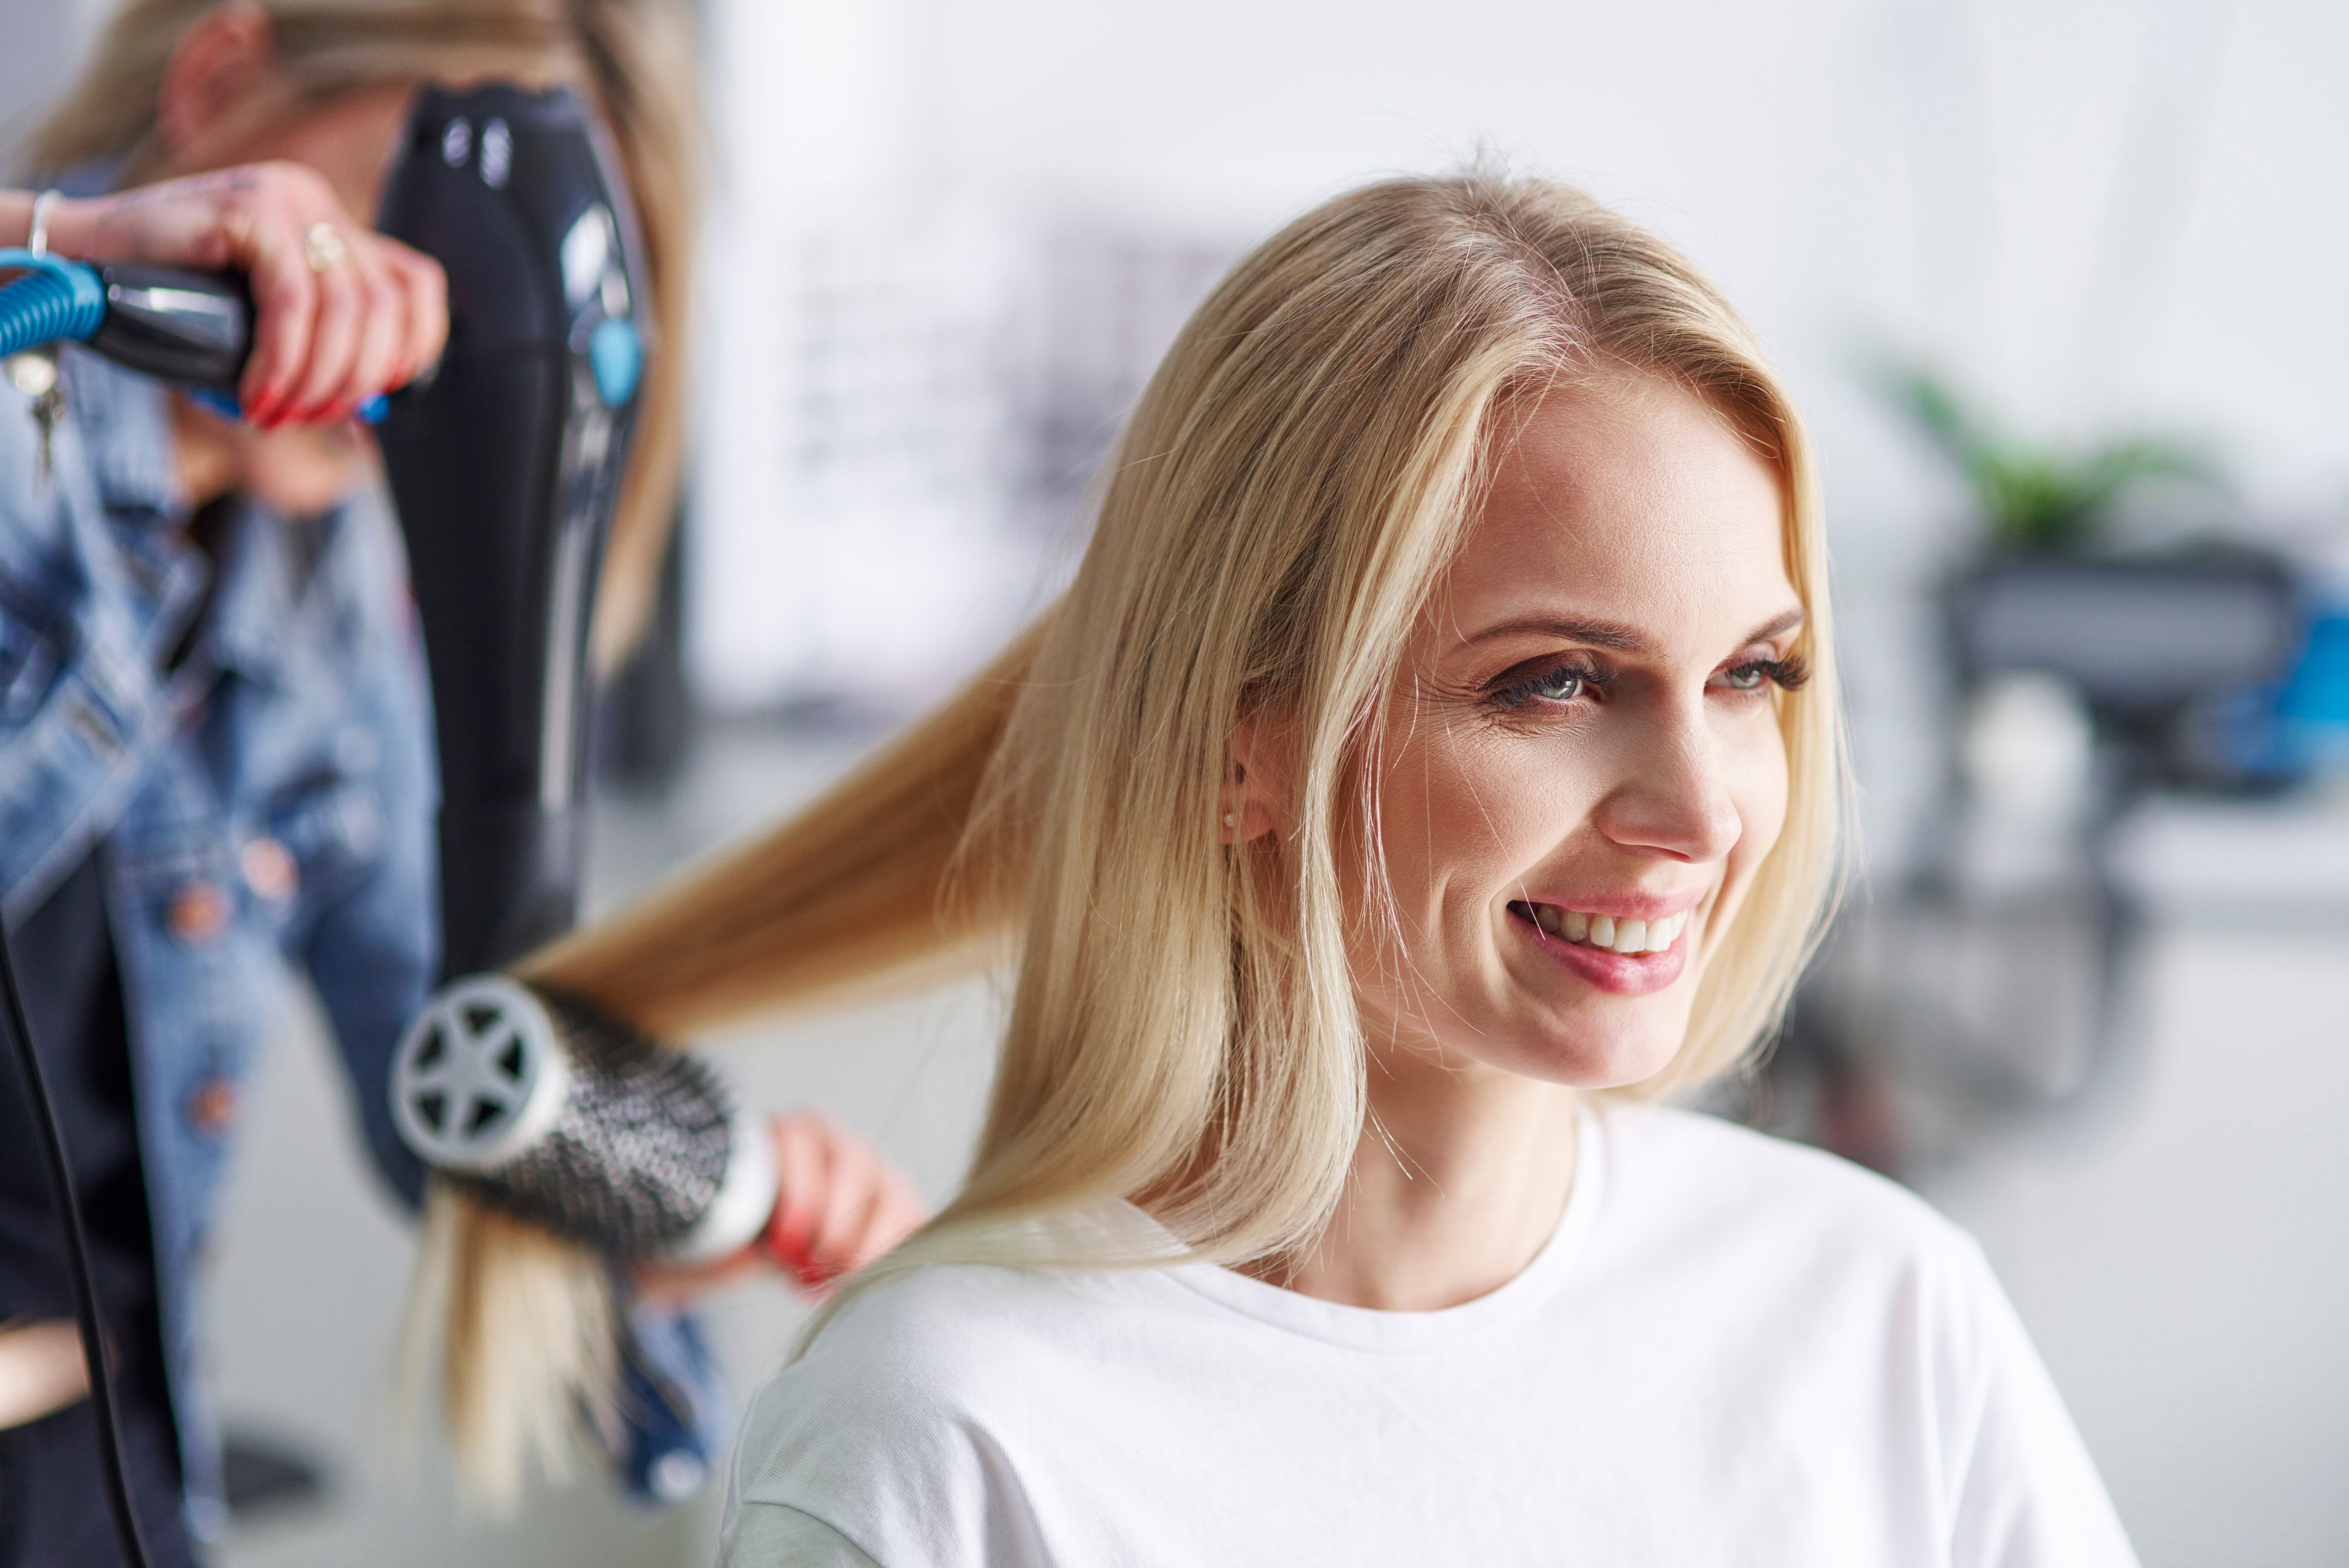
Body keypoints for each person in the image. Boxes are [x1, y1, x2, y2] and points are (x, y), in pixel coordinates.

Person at [486, 169, 2142, 1564]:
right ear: (1235, 743)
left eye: (1753, 677)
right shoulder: (949, 1444)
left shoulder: (1882, 1319)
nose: (1704, 810)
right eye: (1555, 682)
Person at [0, 2, 919, 1562]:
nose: (423, 335)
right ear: (220, 78)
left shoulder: (326, 606)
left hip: (96, 1497)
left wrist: (657, 1213)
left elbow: (454, 1068)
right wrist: (64, 236)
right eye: (391, 231)